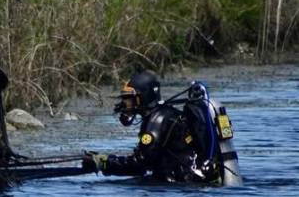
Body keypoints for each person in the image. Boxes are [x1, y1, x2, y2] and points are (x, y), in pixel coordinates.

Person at [82, 71, 242, 185]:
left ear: (142, 98)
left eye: (129, 98)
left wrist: (104, 163)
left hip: (187, 182)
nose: (125, 103)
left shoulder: (156, 120)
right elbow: (149, 160)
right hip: (199, 178)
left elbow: (140, 164)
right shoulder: (165, 114)